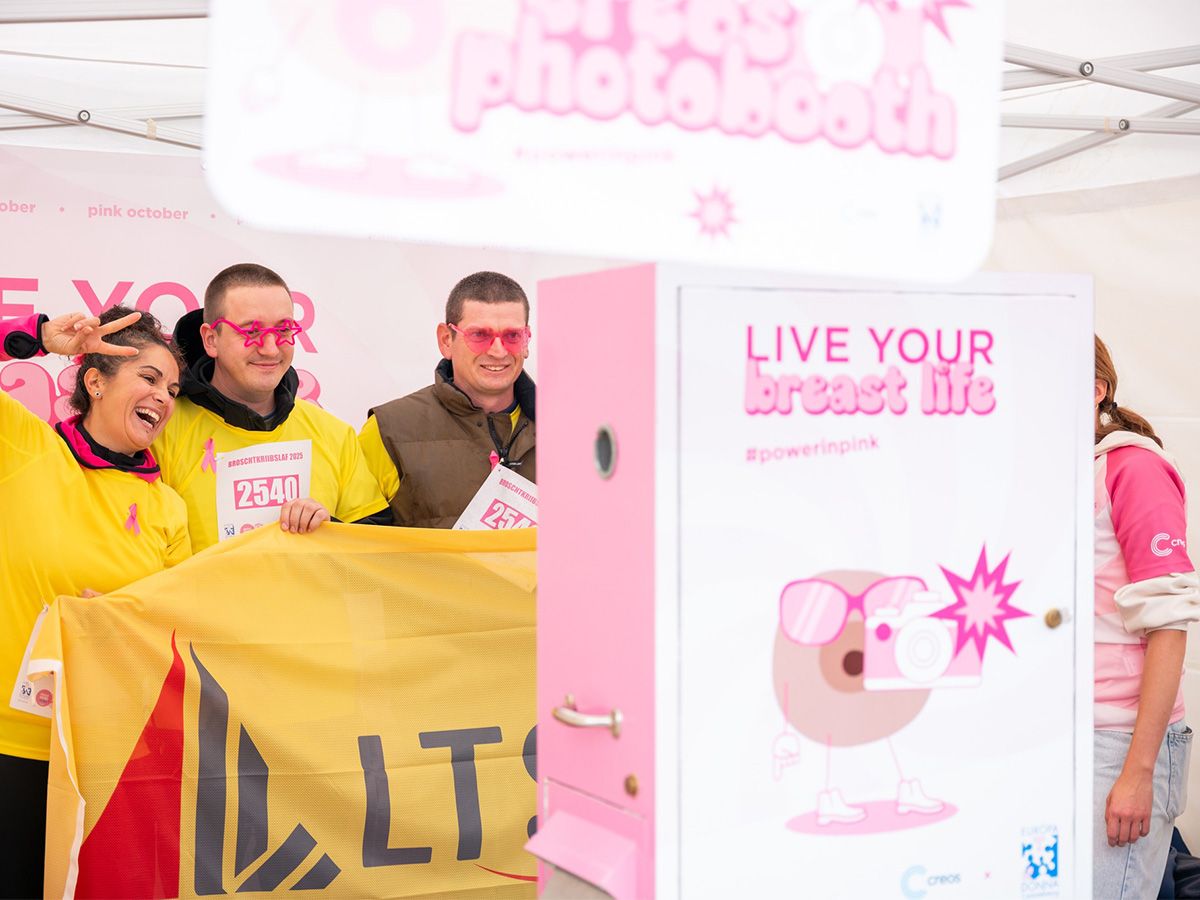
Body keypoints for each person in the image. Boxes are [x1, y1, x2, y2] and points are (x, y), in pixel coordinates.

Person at [0, 308, 190, 898]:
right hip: (12, 744)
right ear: (95, 381)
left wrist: (125, 622)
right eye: (149, 378)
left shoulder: (167, 507)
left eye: (172, 390)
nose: (163, 398)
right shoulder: (26, 448)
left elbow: (183, 632)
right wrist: (34, 338)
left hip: (108, 756)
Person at [156, 263, 388, 552]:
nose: (270, 348)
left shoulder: (334, 435)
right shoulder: (160, 431)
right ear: (211, 339)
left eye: (283, 329)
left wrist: (332, 528)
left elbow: (378, 554)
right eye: (251, 332)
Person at [1094, 335, 1200, 899]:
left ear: (1096, 390)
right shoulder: (1052, 476)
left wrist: (1138, 772)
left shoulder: (1134, 468)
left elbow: (1168, 625)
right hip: (1070, 733)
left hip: (1120, 741)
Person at [359, 271, 536, 528]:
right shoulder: (388, 429)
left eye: (512, 336)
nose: (498, 351)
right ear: (446, 340)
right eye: (479, 335)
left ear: (526, 341)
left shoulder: (570, 433)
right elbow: (352, 542)